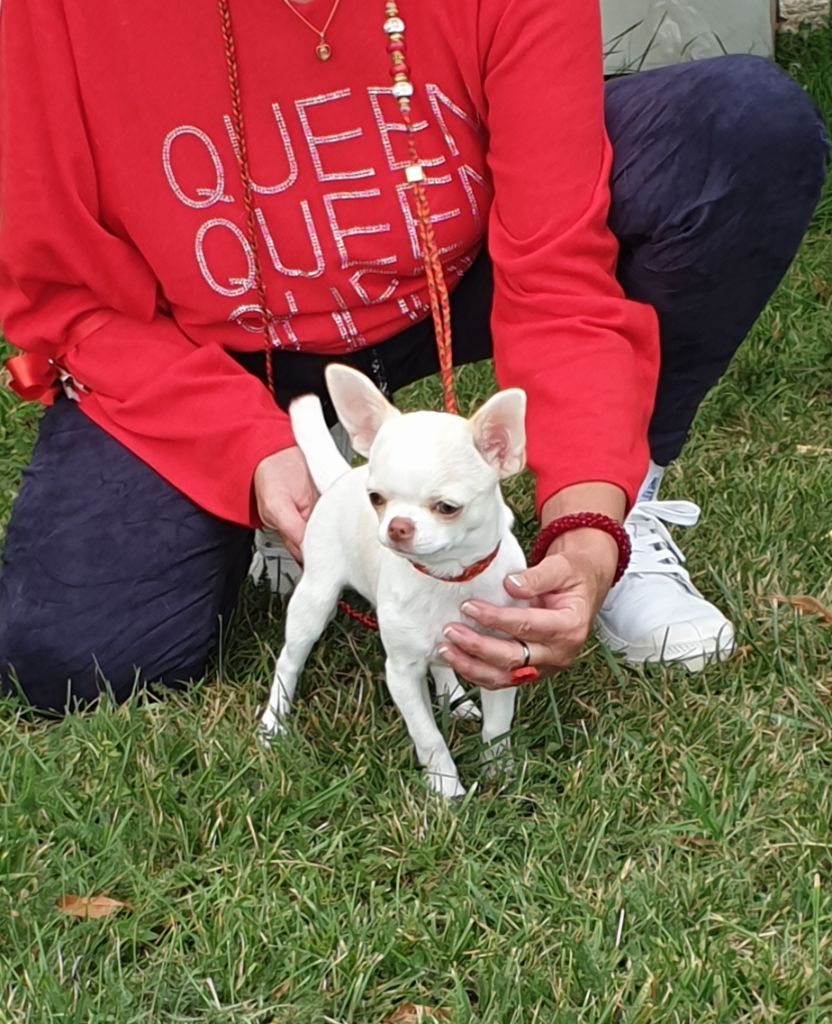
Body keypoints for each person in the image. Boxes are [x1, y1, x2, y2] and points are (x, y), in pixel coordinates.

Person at [0, 0, 827, 711]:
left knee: (737, 130)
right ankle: (294, 503)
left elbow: (559, 274)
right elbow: (70, 296)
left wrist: (586, 521)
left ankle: (627, 505)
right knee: (72, 660)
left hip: (457, 274)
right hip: (210, 339)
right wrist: (243, 451)